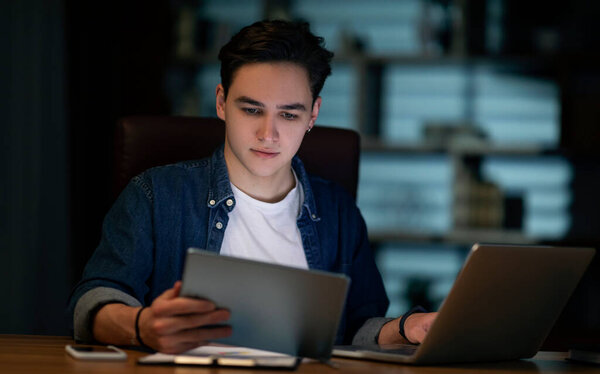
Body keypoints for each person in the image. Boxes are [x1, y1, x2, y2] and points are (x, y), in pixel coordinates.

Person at [67, 20, 437, 355]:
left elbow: (358, 327)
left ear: (313, 115)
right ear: (221, 103)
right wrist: (142, 327)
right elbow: (93, 302)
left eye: (289, 114)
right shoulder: (154, 195)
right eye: (251, 110)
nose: (268, 134)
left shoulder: (338, 210)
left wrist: (407, 328)